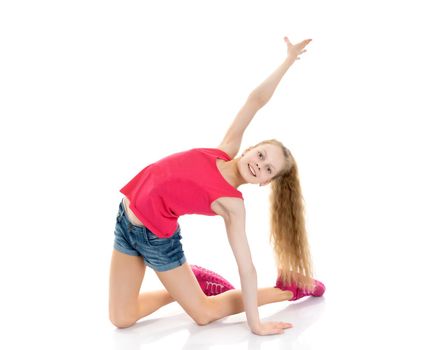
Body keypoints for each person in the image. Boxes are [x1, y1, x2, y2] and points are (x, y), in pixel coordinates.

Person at [109, 36, 325, 336]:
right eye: (260, 155)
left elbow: (246, 268)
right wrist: (288, 61)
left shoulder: (232, 205)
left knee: (204, 314)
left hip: (156, 239)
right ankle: (185, 287)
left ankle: (289, 289)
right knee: (121, 318)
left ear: (264, 182)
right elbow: (256, 100)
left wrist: (256, 324)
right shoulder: (225, 148)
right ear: (250, 148)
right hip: (126, 220)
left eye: (267, 169)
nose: (258, 165)